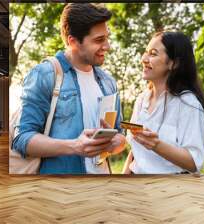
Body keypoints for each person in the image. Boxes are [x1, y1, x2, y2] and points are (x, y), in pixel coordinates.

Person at [12, 3, 126, 174]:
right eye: (99, 40)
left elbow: (118, 133)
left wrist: (119, 142)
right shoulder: (44, 75)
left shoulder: (108, 82)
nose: (107, 46)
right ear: (72, 41)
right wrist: (74, 147)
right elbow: (22, 139)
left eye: (106, 37)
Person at [123, 31, 204, 174]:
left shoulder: (188, 104)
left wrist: (156, 145)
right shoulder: (141, 100)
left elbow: (194, 163)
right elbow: (135, 154)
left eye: (153, 53)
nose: (144, 59)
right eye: (146, 52)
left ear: (174, 63)